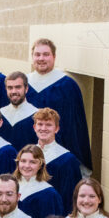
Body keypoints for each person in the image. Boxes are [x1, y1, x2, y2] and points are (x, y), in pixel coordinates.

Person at [27, 38, 92, 170]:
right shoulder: (23, 84)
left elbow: (75, 126)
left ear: (54, 57)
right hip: (27, 155)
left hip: (59, 155)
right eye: (37, 54)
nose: (41, 58)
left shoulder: (68, 85)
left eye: (46, 54)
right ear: (32, 57)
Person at [32, 107, 83, 213]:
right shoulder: (27, 155)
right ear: (34, 127)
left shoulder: (67, 160)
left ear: (57, 128)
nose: (43, 128)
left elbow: (69, 198)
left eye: (49, 125)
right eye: (40, 124)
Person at [14, 144, 64, 218]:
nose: (27, 166)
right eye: (23, 161)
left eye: (32, 162)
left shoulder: (49, 194)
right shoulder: (11, 187)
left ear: (40, 165)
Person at [0, 70, 38, 154]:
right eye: (10, 88)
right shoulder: (0, 114)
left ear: (26, 88)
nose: (13, 91)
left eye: (18, 87)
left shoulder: (36, 116)